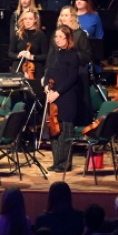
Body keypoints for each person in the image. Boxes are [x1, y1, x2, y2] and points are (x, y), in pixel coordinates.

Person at [44, 26, 80, 173]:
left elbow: (72, 78)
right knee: (54, 130)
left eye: (61, 37)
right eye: (56, 37)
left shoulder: (73, 55)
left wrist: (57, 93)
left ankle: (65, 163)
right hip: (53, 96)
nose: (57, 40)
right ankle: (56, 161)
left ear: (68, 39)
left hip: (66, 98)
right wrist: (46, 86)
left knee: (65, 131)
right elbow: (48, 72)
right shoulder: (54, 54)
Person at [9, 10, 48, 81]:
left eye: (30, 19)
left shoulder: (41, 35)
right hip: (18, 67)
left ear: (35, 20)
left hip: (35, 69)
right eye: (25, 19)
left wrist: (32, 57)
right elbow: (10, 53)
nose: (27, 21)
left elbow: (45, 55)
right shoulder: (17, 34)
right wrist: (18, 55)